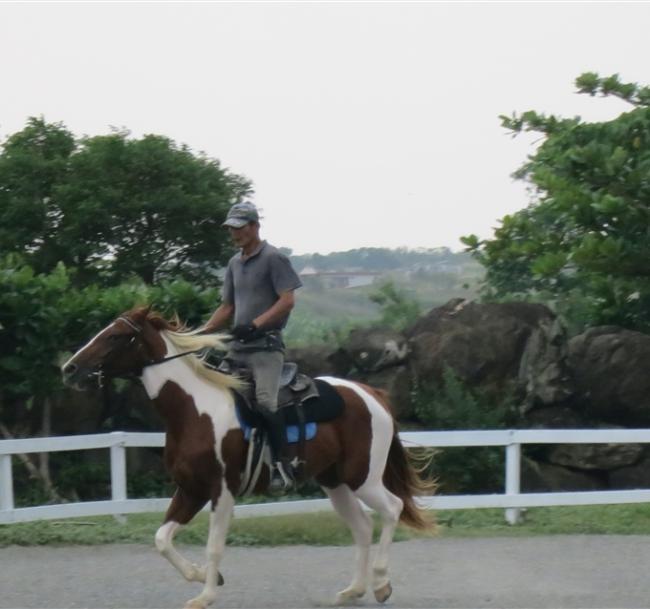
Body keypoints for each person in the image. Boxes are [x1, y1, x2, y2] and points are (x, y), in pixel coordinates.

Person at [203, 201, 303, 493]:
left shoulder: (274, 258)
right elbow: (227, 307)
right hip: (238, 349)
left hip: (266, 349)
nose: (234, 234)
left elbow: (287, 300)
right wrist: (201, 333)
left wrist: (256, 325)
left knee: (265, 402)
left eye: (239, 227)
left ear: (255, 226)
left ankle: (281, 467)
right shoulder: (234, 263)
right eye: (230, 229)